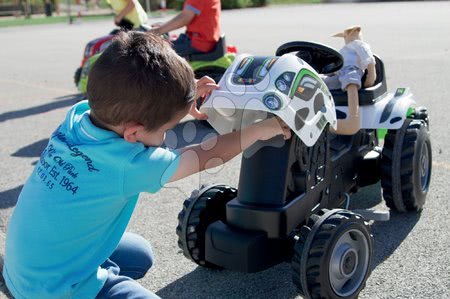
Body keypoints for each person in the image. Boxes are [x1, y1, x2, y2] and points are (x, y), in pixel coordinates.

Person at [3, 31, 291, 299]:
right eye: (167, 128)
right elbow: (206, 154)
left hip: (26, 270)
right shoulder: (128, 164)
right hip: (58, 290)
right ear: (133, 133)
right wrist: (259, 130)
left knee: (139, 253)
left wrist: (181, 95)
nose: (167, 136)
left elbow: (135, 89)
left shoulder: (77, 118)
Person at [323, 25, 376, 135]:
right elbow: (337, 64)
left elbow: (368, 59)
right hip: (340, 74)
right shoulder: (344, 50)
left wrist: (371, 75)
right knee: (321, 82)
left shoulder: (359, 44)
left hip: (352, 71)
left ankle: (352, 121)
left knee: (350, 81)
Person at [150, 0, 221, 57]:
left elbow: (184, 18)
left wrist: (158, 31)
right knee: (164, 44)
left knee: (156, 52)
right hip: (196, 38)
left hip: (199, 43)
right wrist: (162, 26)